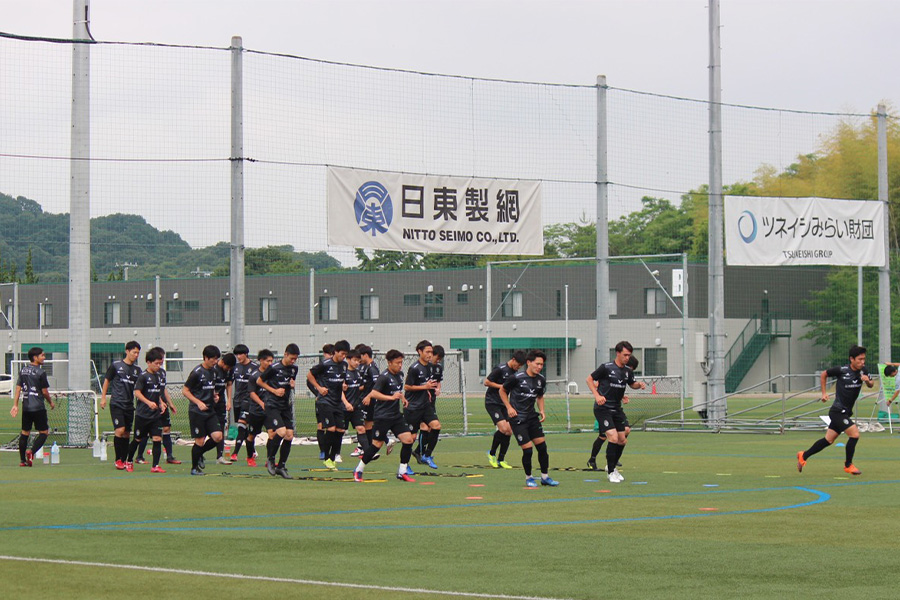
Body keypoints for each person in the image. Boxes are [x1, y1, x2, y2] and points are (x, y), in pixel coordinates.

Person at [798, 345, 874, 475]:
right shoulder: (841, 370)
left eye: (864, 359)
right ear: (851, 359)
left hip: (846, 412)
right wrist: (823, 393)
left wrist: (867, 381)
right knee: (855, 434)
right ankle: (848, 465)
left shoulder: (864, 371)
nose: (862, 362)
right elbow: (824, 374)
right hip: (837, 411)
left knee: (829, 440)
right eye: (860, 359)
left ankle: (803, 455)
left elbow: (871, 385)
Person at [586, 341, 646, 483]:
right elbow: (589, 379)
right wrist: (597, 395)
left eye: (629, 355)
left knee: (622, 439)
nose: (627, 358)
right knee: (612, 437)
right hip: (603, 408)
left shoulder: (627, 371)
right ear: (617, 353)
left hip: (617, 409)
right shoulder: (606, 368)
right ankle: (611, 472)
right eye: (625, 355)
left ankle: (611, 466)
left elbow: (632, 384)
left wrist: (639, 385)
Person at [354, 349, 417, 482]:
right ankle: (359, 469)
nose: (400, 365)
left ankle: (402, 471)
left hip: (396, 416)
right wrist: (390, 397)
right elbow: (374, 393)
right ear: (389, 363)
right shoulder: (383, 377)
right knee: (376, 445)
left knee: (408, 440)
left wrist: (402, 398)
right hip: (382, 416)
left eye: (401, 362)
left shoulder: (400, 375)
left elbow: (398, 392)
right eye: (397, 363)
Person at [500, 350, 559, 488]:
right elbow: (502, 390)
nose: (539, 367)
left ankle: (545, 477)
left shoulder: (541, 380)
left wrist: (542, 410)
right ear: (529, 363)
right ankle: (529, 478)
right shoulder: (516, 378)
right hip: (517, 419)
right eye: (537, 364)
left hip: (532, 417)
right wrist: (509, 407)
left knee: (542, 448)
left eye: (542, 365)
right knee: (528, 450)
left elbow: (539, 396)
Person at [258, 343, 300, 479]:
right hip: (272, 404)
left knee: (289, 435)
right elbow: (259, 381)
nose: (293, 361)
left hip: (285, 406)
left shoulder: (294, 369)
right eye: (291, 358)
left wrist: (292, 386)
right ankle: (270, 458)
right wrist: (274, 391)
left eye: (295, 359)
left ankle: (281, 466)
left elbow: (290, 384)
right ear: (285, 354)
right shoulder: (274, 368)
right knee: (281, 432)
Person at [308, 340, 351, 470]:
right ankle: (326, 457)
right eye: (342, 354)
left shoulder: (344, 365)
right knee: (331, 429)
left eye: (345, 354)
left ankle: (332, 458)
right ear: (335, 352)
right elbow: (309, 375)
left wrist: (343, 385)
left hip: (337, 402)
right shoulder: (325, 364)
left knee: (341, 430)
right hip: (325, 401)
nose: (344, 357)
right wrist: (319, 388)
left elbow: (340, 380)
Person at [100, 341, 142, 470]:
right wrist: (103, 398)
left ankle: (124, 459)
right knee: (120, 430)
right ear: (127, 351)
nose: (136, 355)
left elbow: (140, 387)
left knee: (127, 434)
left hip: (129, 405)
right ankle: (118, 459)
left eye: (138, 353)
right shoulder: (116, 365)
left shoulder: (137, 370)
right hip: (117, 403)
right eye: (134, 352)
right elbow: (107, 380)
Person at [182, 345, 224, 476]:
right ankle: (194, 468)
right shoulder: (197, 372)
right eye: (213, 359)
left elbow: (211, 388)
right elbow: (185, 390)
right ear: (205, 358)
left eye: (217, 359)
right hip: (197, 411)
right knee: (199, 441)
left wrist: (214, 396)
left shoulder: (214, 371)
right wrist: (198, 402)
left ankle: (200, 454)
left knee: (218, 436)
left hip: (210, 410)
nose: (215, 362)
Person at [10, 346, 55, 467]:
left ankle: (22, 461)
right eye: (42, 355)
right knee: (44, 432)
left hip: (26, 407)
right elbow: (45, 392)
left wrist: (15, 405)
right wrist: (51, 402)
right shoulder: (41, 372)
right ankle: (31, 452)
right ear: (35, 358)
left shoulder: (23, 370)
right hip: (38, 407)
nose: (44, 358)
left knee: (25, 433)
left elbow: (18, 388)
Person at [135, 347, 180, 465]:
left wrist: (170, 403)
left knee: (166, 428)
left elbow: (163, 389)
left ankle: (169, 456)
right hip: (151, 406)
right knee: (146, 431)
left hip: (161, 405)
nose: (160, 362)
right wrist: (157, 402)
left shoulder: (162, 372)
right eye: (159, 360)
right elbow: (140, 391)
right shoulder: (146, 374)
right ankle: (139, 456)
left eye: (162, 360)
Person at [127, 347, 168, 473]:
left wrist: (161, 403)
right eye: (156, 363)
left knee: (157, 439)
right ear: (148, 362)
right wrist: (149, 402)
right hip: (143, 414)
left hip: (155, 415)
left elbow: (158, 393)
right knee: (138, 439)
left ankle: (155, 466)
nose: (158, 366)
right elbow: (137, 393)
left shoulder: (160, 375)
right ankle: (128, 461)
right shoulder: (143, 376)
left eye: (160, 363)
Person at [484, 350, 524, 469]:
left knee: (509, 431)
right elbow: (487, 382)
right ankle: (491, 454)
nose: (519, 368)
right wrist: (501, 386)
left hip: (505, 404)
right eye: (518, 365)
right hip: (492, 402)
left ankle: (501, 459)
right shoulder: (500, 369)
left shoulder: (515, 373)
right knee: (503, 428)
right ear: (513, 360)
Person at [404, 340, 441, 469]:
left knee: (436, 426)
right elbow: (407, 387)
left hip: (425, 405)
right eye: (427, 352)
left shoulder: (430, 367)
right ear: (420, 352)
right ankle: (405, 465)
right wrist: (424, 387)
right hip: (413, 407)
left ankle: (427, 455)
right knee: (411, 438)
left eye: (431, 352)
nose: (430, 354)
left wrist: (428, 391)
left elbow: (427, 384)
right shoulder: (414, 368)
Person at [241, 349, 274, 467]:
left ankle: (269, 459)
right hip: (256, 411)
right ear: (261, 361)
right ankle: (250, 457)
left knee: (272, 434)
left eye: (271, 361)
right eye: (267, 361)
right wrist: (261, 403)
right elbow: (251, 393)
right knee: (251, 435)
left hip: (270, 411)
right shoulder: (254, 376)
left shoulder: (273, 374)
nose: (270, 363)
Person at [414, 344, 445, 463]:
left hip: (431, 402)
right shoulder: (423, 367)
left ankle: (419, 452)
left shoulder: (438, 368)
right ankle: (421, 453)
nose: (438, 361)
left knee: (431, 428)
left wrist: (438, 389)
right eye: (437, 358)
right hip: (419, 402)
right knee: (425, 427)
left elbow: (438, 382)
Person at [343, 349, 372, 463]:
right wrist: (346, 402)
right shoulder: (343, 373)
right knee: (339, 431)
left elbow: (359, 387)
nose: (357, 363)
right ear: (348, 360)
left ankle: (367, 453)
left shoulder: (358, 373)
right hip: (344, 407)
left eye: (358, 361)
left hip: (356, 407)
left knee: (361, 428)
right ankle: (334, 454)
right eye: (355, 360)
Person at [229, 344, 257, 463]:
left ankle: (235, 453)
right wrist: (229, 400)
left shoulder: (255, 367)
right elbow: (229, 383)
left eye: (240, 354)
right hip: (237, 401)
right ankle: (252, 451)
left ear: (246, 354)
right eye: (237, 354)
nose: (238, 356)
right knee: (244, 429)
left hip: (249, 400)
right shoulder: (235, 367)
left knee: (241, 426)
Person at [310, 344, 335, 460]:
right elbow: (309, 380)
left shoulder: (336, 367)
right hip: (322, 401)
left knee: (332, 427)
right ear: (325, 355)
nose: (330, 357)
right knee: (321, 426)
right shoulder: (321, 367)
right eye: (329, 354)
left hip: (333, 401)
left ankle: (331, 451)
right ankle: (323, 451)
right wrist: (317, 393)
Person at [212, 352, 236, 465]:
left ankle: (219, 456)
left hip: (220, 402)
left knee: (221, 429)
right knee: (208, 430)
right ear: (222, 362)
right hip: (208, 402)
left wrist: (229, 401)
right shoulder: (213, 369)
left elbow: (229, 384)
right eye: (228, 367)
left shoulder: (229, 370)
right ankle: (200, 454)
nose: (228, 370)